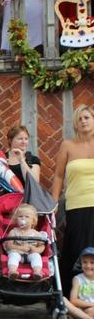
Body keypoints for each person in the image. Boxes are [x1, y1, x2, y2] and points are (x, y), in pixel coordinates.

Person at [52, 105, 94, 297]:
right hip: (77, 205)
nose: (83, 121)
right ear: (75, 124)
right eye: (79, 119)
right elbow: (59, 176)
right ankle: (72, 297)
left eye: (86, 117)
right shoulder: (68, 145)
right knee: (77, 250)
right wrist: (53, 203)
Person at [3, 204, 47, 280]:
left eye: (27, 217)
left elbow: (42, 246)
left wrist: (36, 250)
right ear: (16, 219)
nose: (23, 218)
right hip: (17, 252)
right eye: (20, 216)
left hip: (31, 254)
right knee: (13, 256)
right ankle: (12, 271)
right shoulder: (13, 232)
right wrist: (21, 248)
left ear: (33, 221)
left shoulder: (36, 234)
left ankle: (37, 272)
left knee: (36, 257)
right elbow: (9, 245)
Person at [63, 247, 94, 319]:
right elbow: (73, 301)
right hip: (79, 309)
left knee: (91, 311)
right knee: (62, 300)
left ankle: (76, 318)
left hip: (90, 310)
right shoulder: (77, 279)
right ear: (81, 263)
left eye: (92, 263)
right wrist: (91, 305)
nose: (88, 266)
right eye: (84, 262)